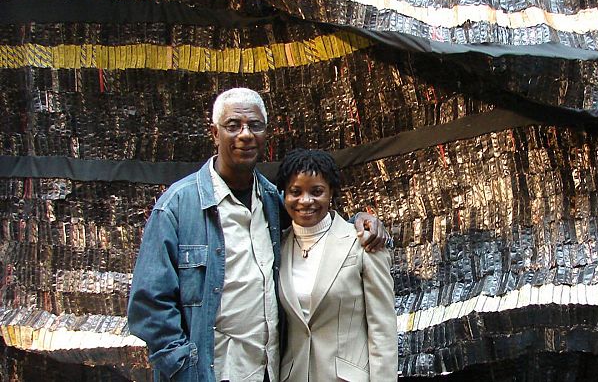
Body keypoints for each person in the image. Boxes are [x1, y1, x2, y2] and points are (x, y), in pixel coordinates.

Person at [127, 88, 388, 382]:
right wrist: (184, 368)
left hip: (268, 369)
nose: (245, 134)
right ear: (214, 133)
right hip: (213, 372)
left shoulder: (270, 201)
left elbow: (313, 224)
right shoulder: (177, 207)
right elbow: (148, 305)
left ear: (266, 134)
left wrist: (358, 222)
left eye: (255, 125)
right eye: (233, 125)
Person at [275, 148, 397, 382]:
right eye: (295, 192)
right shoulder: (277, 247)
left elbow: (383, 329)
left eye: (317, 191)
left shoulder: (363, 242)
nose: (306, 201)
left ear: (331, 193)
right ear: (284, 196)